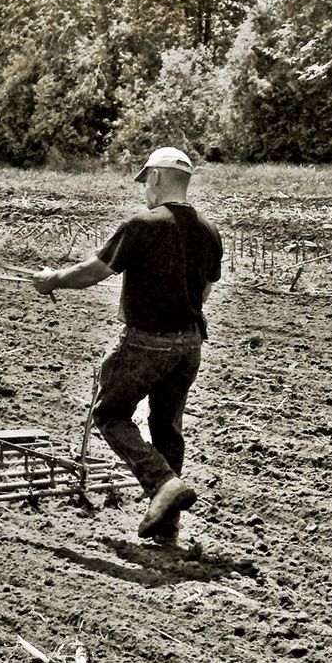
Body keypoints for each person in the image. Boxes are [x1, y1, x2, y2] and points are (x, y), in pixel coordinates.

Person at [32, 146, 222, 545]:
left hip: (146, 341)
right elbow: (204, 291)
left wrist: (53, 279)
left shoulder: (142, 224)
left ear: (155, 177)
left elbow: (93, 272)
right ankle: (167, 527)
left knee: (111, 413)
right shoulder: (208, 230)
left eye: (145, 182)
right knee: (166, 427)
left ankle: (162, 483)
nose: (144, 190)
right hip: (190, 344)